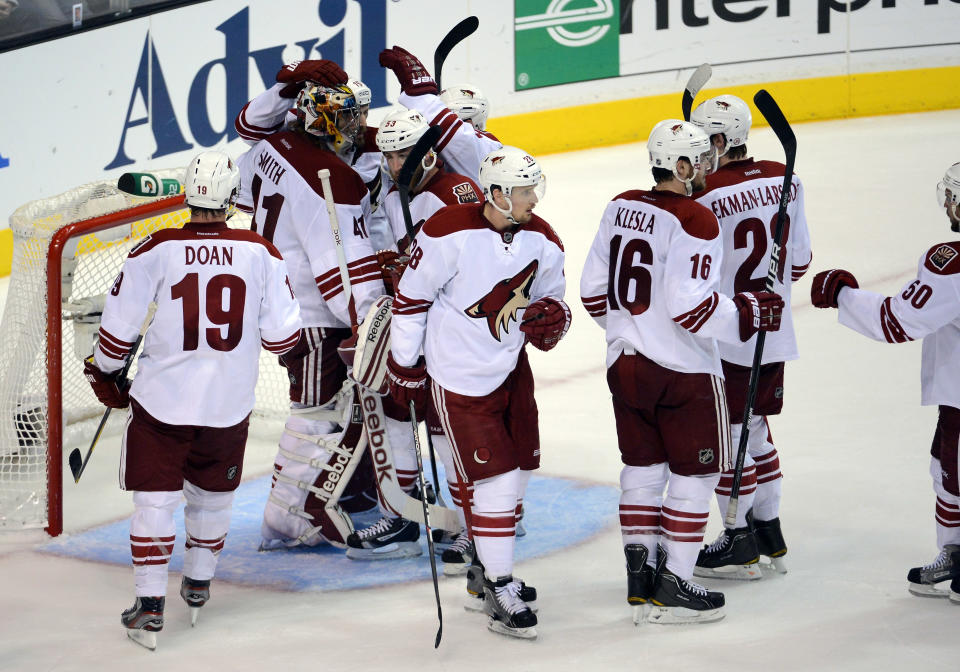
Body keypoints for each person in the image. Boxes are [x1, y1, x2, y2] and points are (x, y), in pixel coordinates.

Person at [82, 150, 302, 650]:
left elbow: (115, 336)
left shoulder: (154, 249)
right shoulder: (260, 252)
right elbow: (283, 340)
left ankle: (150, 605)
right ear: (230, 199)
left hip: (162, 406)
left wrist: (108, 375)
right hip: (228, 406)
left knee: (156, 501)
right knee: (213, 497)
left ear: (188, 194)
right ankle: (199, 583)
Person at [579, 119, 785, 625]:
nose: (710, 170)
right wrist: (749, 313)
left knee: (643, 472)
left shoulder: (619, 204)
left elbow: (590, 294)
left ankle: (641, 577)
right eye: (702, 161)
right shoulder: (696, 219)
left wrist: (633, 329)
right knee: (695, 476)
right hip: (683, 372)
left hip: (623, 364)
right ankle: (676, 582)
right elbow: (690, 310)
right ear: (682, 165)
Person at [387, 146, 569, 639]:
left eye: (535, 188)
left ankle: (483, 570)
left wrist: (555, 319)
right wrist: (404, 365)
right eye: (524, 190)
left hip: (511, 369)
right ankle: (499, 585)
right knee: (496, 481)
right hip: (459, 376)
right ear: (496, 195)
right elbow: (411, 298)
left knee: (523, 468)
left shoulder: (542, 238)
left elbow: (553, 298)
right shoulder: (448, 230)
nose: (535, 198)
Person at [239, 81, 404, 556]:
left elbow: (248, 202)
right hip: (310, 314)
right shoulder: (332, 178)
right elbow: (342, 272)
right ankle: (284, 517)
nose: (357, 126)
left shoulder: (271, 146)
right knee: (317, 415)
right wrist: (370, 321)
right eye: (347, 117)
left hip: (276, 302)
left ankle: (336, 496)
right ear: (323, 121)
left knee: (330, 410)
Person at [810, 161, 960, 602]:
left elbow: (898, 321)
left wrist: (842, 294)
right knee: (946, 472)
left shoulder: (951, 266)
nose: (950, 204)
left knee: (954, 474)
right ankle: (954, 553)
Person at [689, 95, 813, 578]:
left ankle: (738, 537)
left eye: (703, 144)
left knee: (731, 436)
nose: (697, 156)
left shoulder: (702, 194)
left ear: (720, 141)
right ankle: (769, 529)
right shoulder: (789, 180)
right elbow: (798, 262)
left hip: (729, 332)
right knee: (756, 428)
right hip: (774, 327)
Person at [373, 106, 484, 573]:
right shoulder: (395, 189)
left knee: (446, 429)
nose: (397, 165)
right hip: (414, 321)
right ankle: (408, 509)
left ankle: (468, 528)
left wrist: (416, 274)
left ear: (429, 150)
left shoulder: (455, 194)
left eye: (404, 155)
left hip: (456, 331)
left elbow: (478, 266)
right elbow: (387, 242)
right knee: (395, 405)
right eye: (390, 157)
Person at [379, 46, 502, 181]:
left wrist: (422, 96)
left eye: (459, 121)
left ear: (472, 123)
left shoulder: (489, 150)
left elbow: (459, 137)